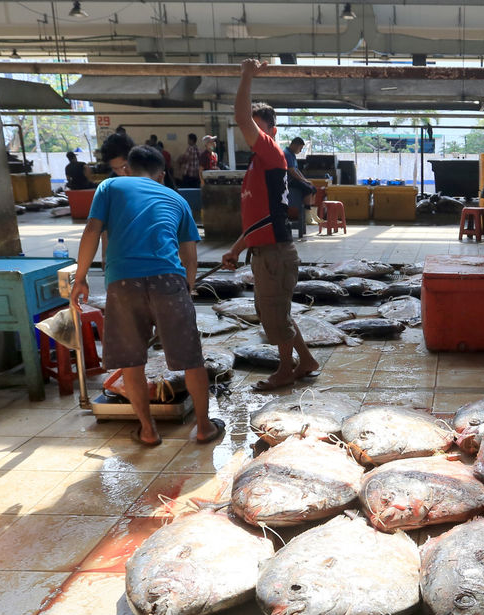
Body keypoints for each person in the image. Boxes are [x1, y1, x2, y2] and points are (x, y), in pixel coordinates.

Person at [70, 145, 224, 447]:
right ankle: (204, 427)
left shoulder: (110, 185)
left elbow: (91, 230)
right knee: (191, 359)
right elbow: (189, 257)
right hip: (169, 279)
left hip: (123, 282)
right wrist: (186, 289)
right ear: (162, 175)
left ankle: (148, 430)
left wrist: (80, 278)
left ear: (127, 167)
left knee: (132, 362)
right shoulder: (177, 199)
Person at [220, 59, 318, 392]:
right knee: (277, 314)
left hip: (275, 254)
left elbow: (240, 118)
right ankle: (305, 360)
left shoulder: (272, 153)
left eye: (258, 128)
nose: (251, 133)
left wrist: (246, 75)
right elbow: (257, 220)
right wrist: (235, 250)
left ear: (271, 132)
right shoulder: (256, 165)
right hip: (266, 252)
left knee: (275, 318)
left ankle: (285, 370)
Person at [283, 136, 321, 227]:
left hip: (295, 179)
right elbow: (292, 171)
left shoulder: (292, 154)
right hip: (289, 181)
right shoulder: (287, 153)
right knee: (308, 189)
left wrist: (305, 180)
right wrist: (304, 181)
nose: (300, 151)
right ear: (295, 145)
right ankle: (307, 217)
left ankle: (312, 214)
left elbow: (297, 170)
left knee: (313, 188)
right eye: (300, 148)